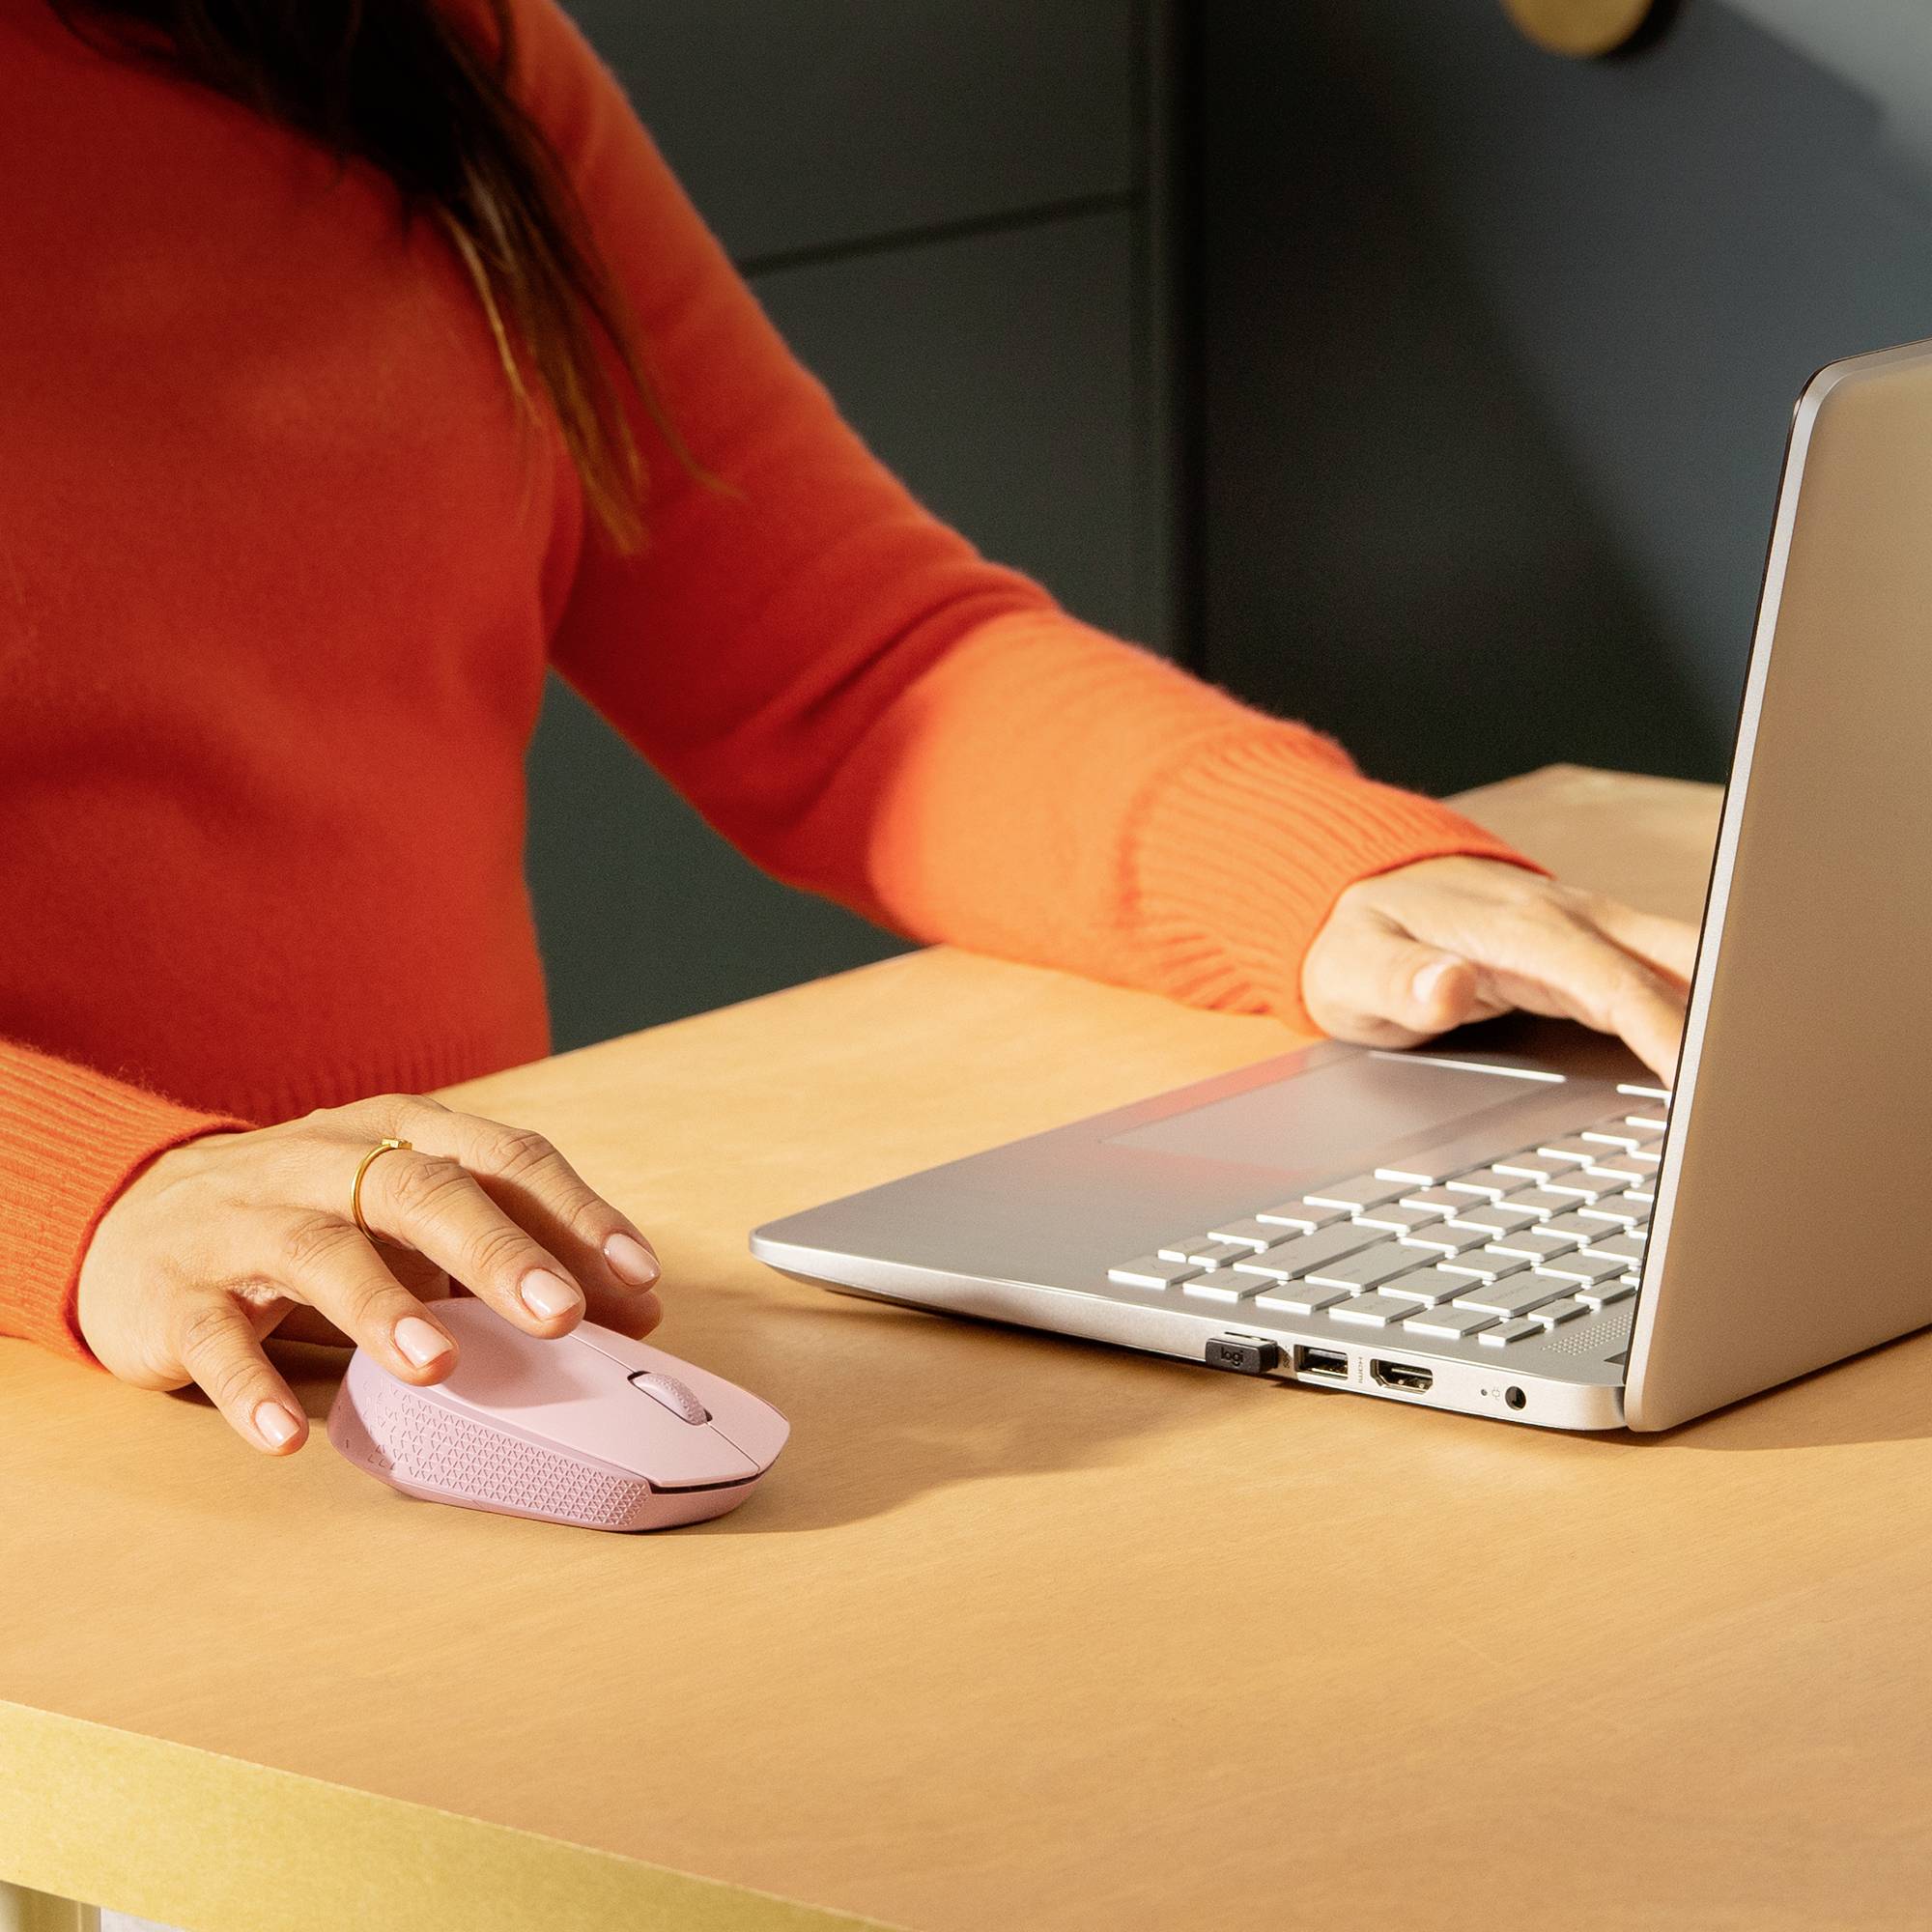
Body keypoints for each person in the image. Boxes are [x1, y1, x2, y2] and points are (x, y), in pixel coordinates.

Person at [0, 0, 1696, 1457]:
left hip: (454, 1349)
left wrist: (1326, 881)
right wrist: (95, 1201)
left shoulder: (413, 40)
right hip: (90, 1380)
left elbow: (847, 660)